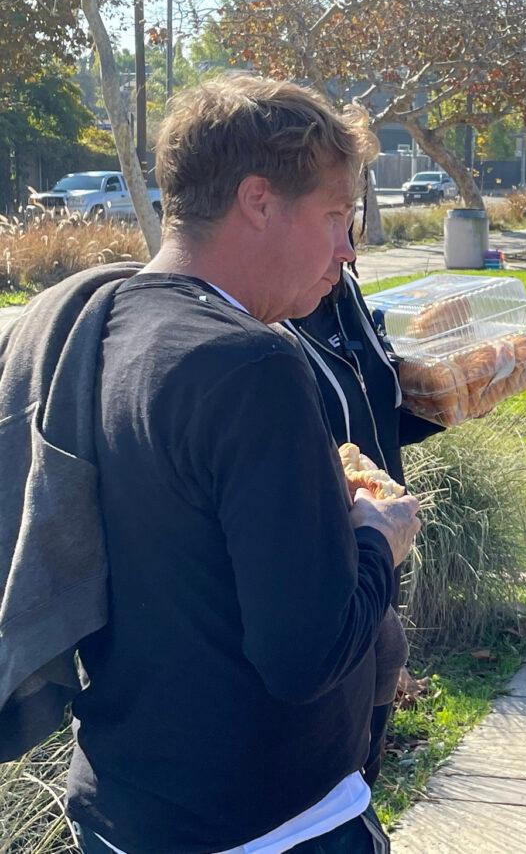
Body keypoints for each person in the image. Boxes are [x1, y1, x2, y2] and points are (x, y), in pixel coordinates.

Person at [3, 76, 422, 853]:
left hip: (125, 799)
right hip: (268, 823)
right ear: (259, 200)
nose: (348, 248)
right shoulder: (251, 365)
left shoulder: (96, 329)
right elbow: (306, 655)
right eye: (336, 214)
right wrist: (378, 537)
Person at [284, 251, 444, 788]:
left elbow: (378, 416)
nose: (347, 248)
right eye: (329, 212)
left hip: (377, 553)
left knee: (362, 769)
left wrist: (448, 401)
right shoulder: (265, 328)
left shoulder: (342, 295)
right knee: (337, 772)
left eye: (348, 215)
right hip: (330, 574)